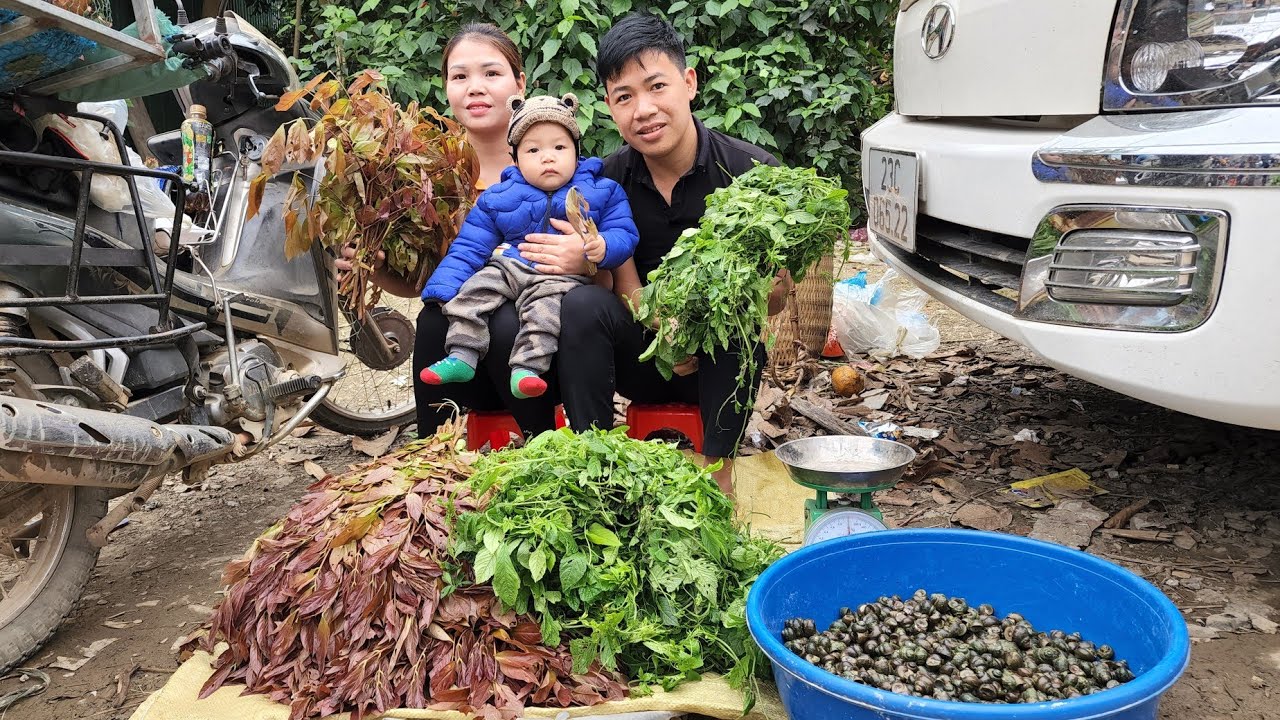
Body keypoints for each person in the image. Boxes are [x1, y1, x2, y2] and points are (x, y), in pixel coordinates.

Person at [549, 13, 795, 495]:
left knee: (737, 325)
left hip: (718, 360)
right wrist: (666, 335)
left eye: (657, 86)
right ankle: (592, 472)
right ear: (609, 107)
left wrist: (759, 293)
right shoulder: (605, 182)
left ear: (689, 83)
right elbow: (622, 284)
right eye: (624, 97)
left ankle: (718, 480)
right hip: (641, 353)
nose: (643, 110)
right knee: (581, 304)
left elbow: (775, 300)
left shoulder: (753, 173)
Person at [336, 24, 568, 435]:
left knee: (502, 319)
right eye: (460, 76)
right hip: (462, 353)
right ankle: (433, 451)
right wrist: (376, 267)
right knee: (433, 318)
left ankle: (541, 445)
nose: (475, 87)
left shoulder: (558, 169)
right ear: (446, 88)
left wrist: (580, 259)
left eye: (491, 73)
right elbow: (428, 283)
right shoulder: (432, 181)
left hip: (543, 345)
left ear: (520, 84)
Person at [418, 93, 639, 400]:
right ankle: (462, 354)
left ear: (577, 152)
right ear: (516, 158)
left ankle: (526, 369)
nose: (547, 157)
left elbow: (623, 232)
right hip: (509, 266)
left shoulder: (602, 191)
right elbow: (469, 247)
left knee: (544, 314)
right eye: (533, 149)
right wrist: (442, 287)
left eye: (559, 147)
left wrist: (601, 245)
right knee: (473, 293)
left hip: (559, 278)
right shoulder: (499, 197)